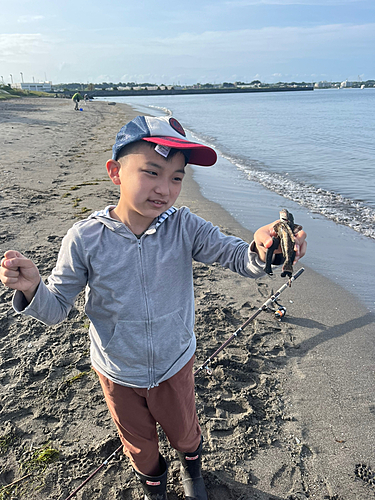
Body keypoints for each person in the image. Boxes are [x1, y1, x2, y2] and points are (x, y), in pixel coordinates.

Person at [0, 115, 306, 500]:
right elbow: (57, 307)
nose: (165, 189)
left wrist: (266, 248)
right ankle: (154, 485)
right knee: (139, 444)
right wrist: (32, 289)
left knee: (185, 431)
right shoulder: (84, 238)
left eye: (177, 178)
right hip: (116, 370)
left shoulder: (185, 226)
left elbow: (237, 257)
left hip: (174, 362)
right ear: (115, 172)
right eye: (151, 172)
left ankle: (192, 468)